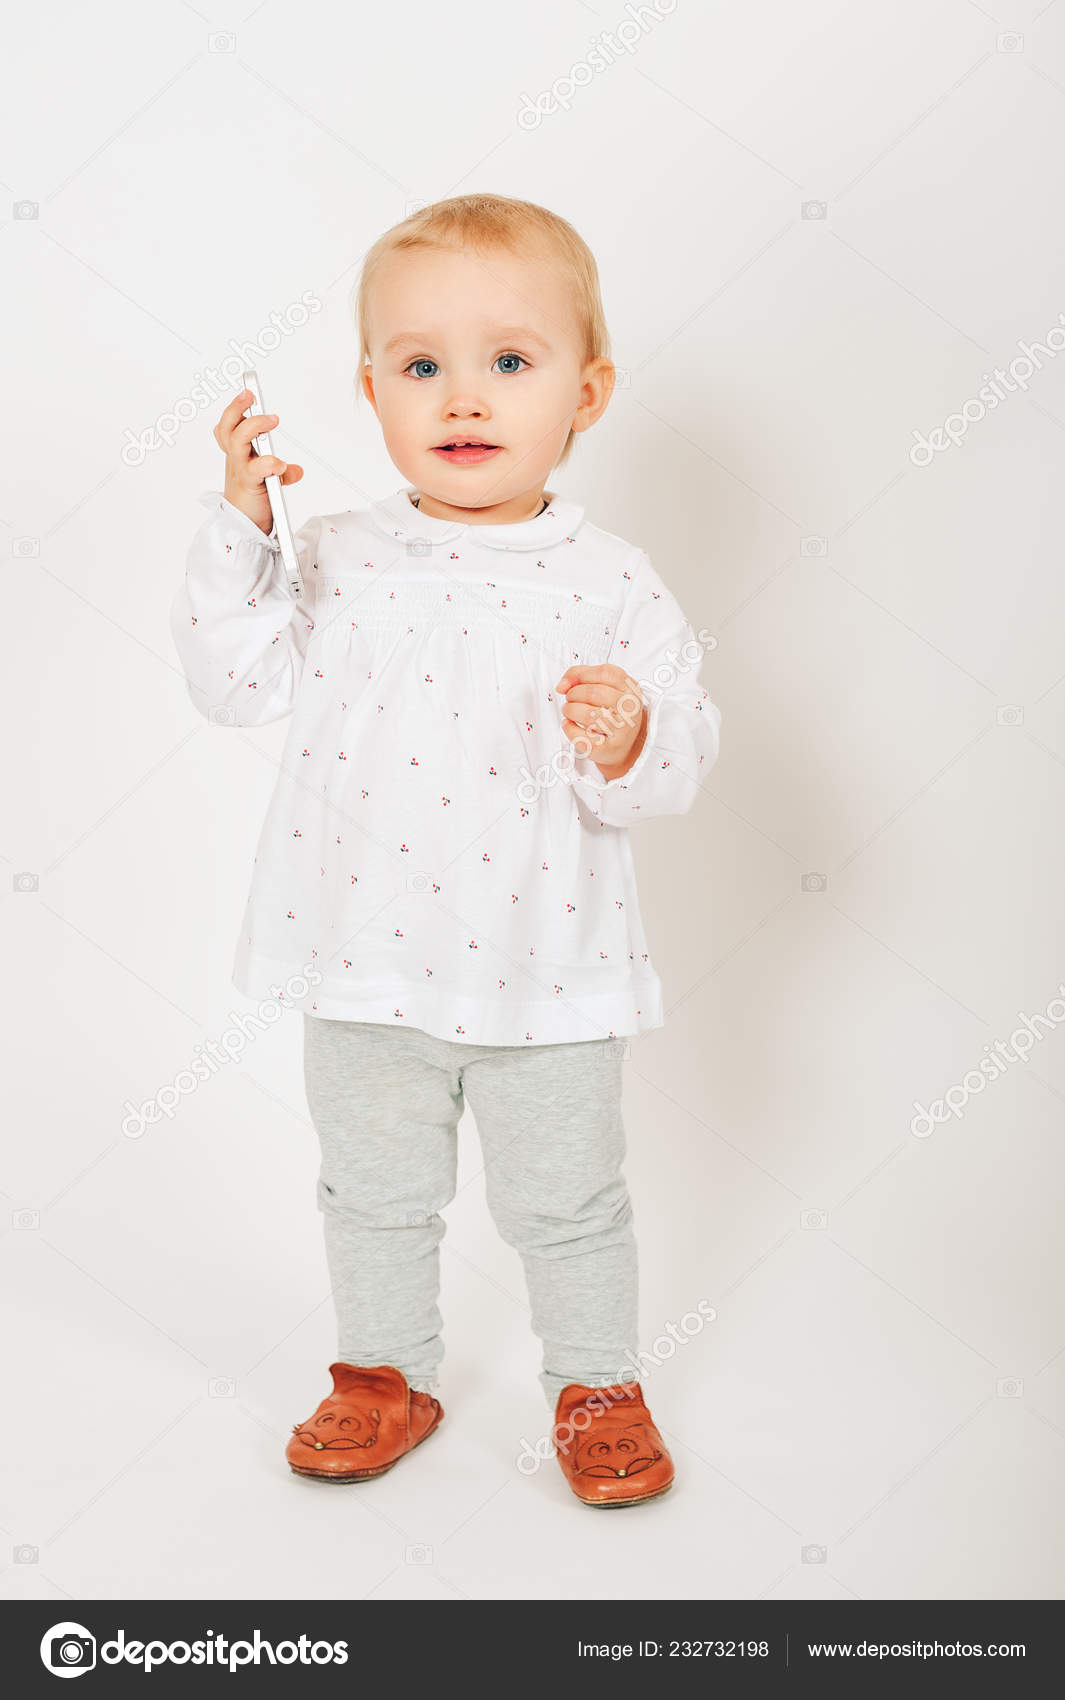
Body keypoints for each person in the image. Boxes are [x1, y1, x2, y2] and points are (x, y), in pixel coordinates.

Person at [170, 193, 721, 1507]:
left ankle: (595, 1383)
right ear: (369, 390)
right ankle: (383, 1374)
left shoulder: (611, 580)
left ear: (584, 393)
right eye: (420, 366)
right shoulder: (341, 560)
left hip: (549, 971)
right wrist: (244, 528)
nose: (461, 398)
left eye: (509, 363)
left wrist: (633, 734)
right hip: (363, 963)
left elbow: (677, 765)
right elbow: (233, 684)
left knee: (568, 1201)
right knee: (370, 1191)